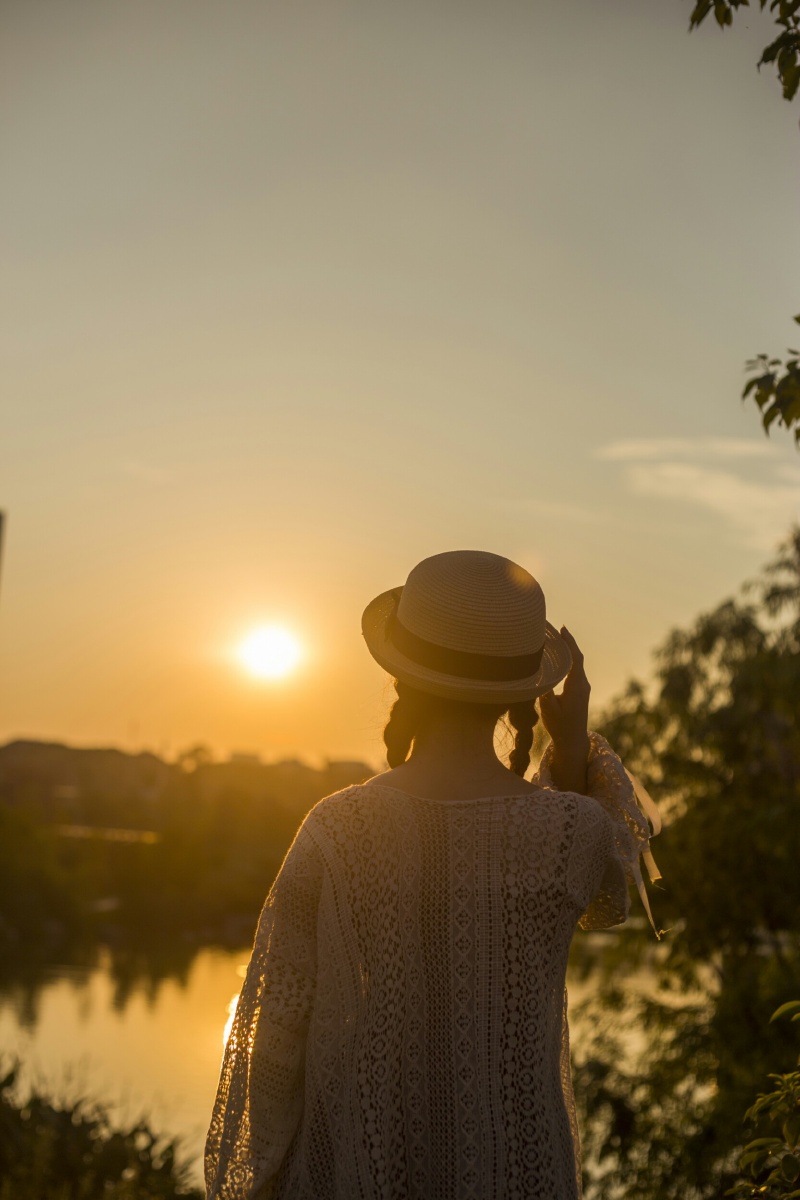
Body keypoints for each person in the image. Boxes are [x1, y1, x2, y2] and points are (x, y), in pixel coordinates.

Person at [205, 550, 659, 1200]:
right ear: (527, 693)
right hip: (519, 1178)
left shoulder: (337, 829)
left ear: (402, 679)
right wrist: (574, 740)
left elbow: (274, 1035)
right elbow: (616, 887)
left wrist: (259, 1180)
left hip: (358, 1176)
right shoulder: (571, 832)